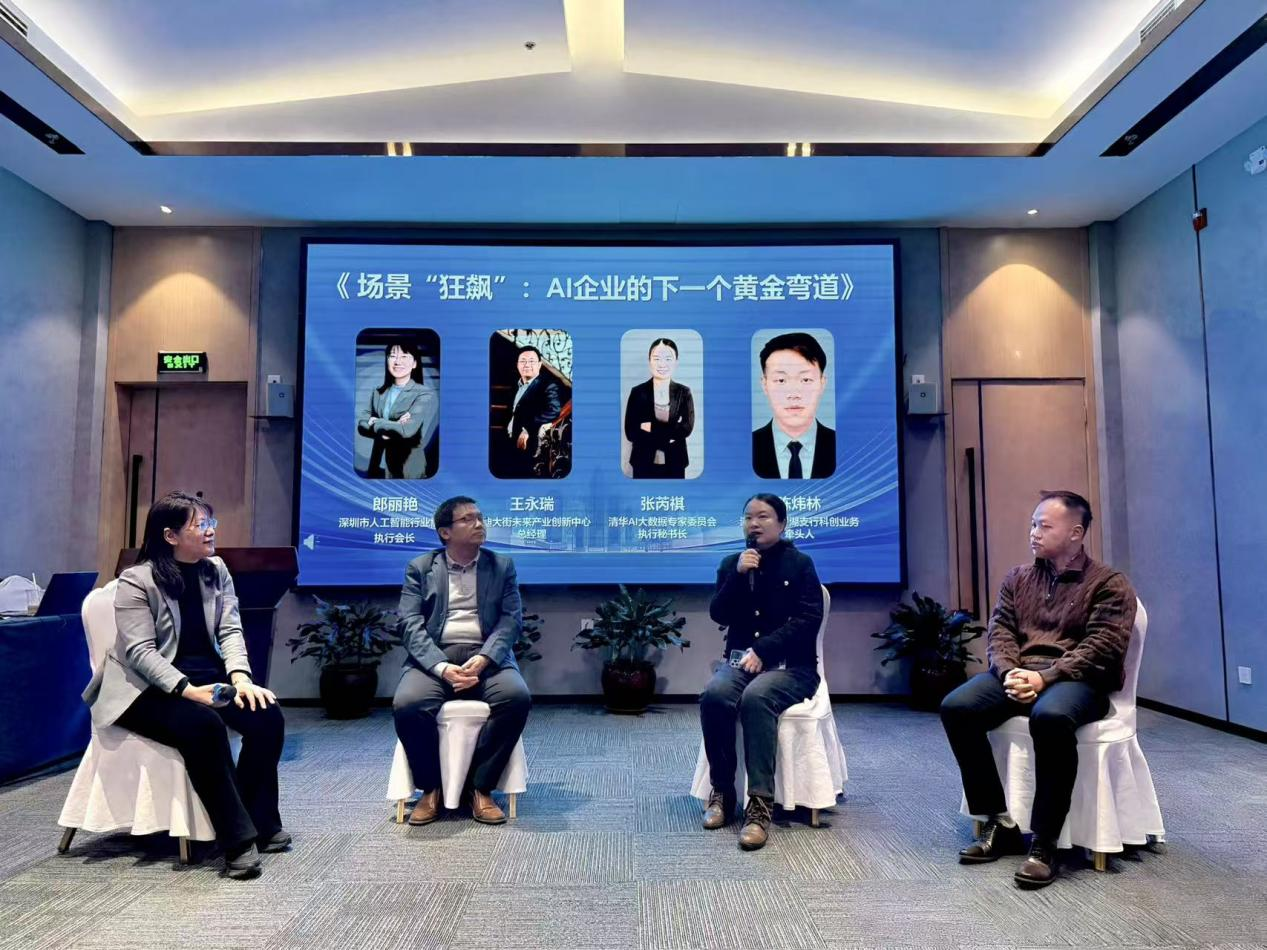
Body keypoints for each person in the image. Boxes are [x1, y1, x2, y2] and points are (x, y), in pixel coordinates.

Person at [82, 491, 288, 879]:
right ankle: (237, 840)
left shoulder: (216, 570)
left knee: (266, 715)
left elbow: (230, 630)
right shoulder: (136, 580)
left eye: (211, 522)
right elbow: (141, 653)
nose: (211, 531)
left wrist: (240, 678)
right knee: (203, 724)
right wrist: (188, 691)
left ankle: (259, 819)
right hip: (143, 689)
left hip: (207, 678)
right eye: (201, 525)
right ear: (170, 535)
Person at [940, 490, 1137, 888]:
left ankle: (1045, 842)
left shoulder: (1109, 584)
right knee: (957, 706)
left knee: (1050, 718)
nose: (1034, 533)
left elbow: (1102, 647)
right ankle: (999, 821)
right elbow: (1000, 631)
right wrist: (1010, 672)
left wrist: (1045, 677)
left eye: (1044, 526)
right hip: (1021, 673)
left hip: (1078, 682)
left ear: (1076, 533)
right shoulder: (1018, 578)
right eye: (1033, 525)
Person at [393, 496, 532, 825]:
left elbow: (510, 621)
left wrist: (485, 658)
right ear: (445, 532)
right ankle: (431, 789)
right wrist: (441, 667)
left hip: (486, 657)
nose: (479, 523)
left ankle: (480, 788)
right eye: (468, 519)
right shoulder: (421, 568)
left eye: (480, 517)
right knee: (408, 704)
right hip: (436, 657)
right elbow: (409, 624)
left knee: (516, 698)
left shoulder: (501, 566)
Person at [699, 493, 823, 850]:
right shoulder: (732, 564)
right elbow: (719, 614)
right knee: (714, 696)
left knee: (756, 697)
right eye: (748, 517)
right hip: (740, 662)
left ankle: (759, 805)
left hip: (792, 667)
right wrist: (737, 577)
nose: (754, 524)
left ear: (782, 524)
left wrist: (764, 650)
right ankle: (722, 792)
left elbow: (808, 619)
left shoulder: (800, 564)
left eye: (763, 517)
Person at [752, 332, 836, 479]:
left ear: (822, 383)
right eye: (781, 380)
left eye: (805, 380)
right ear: (764, 385)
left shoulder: (843, 444)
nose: (793, 394)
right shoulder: (748, 446)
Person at [356, 339, 439, 479]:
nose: (397, 361)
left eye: (404, 356)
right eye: (393, 356)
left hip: (408, 468)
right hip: (377, 465)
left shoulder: (423, 393)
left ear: (415, 363)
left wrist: (376, 422)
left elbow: (407, 430)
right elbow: (361, 425)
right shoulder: (378, 392)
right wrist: (393, 426)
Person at [624, 337, 695, 479]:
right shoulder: (637, 392)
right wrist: (670, 432)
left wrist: (650, 427)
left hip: (675, 461)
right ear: (649, 361)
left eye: (668, 359)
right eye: (656, 358)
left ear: (676, 362)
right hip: (642, 461)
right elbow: (630, 431)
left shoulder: (684, 392)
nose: (662, 364)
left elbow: (686, 428)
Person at [502, 345, 562, 477]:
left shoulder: (548, 385)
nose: (527, 365)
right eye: (523, 361)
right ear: (517, 365)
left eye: (531, 361)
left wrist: (528, 428)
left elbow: (554, 410)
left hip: (530, 445)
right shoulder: (515, 386)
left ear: (539, 365)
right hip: (508, 441)